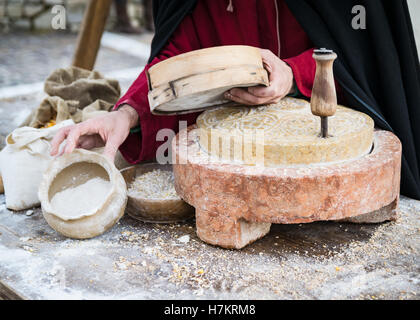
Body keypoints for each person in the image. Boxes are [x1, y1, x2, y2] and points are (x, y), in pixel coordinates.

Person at [51, 0, 420, 200]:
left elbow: (364, 53)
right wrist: (127, 114)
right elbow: (181, 59)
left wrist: (294, 73)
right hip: (239, 166)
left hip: (328, 159)